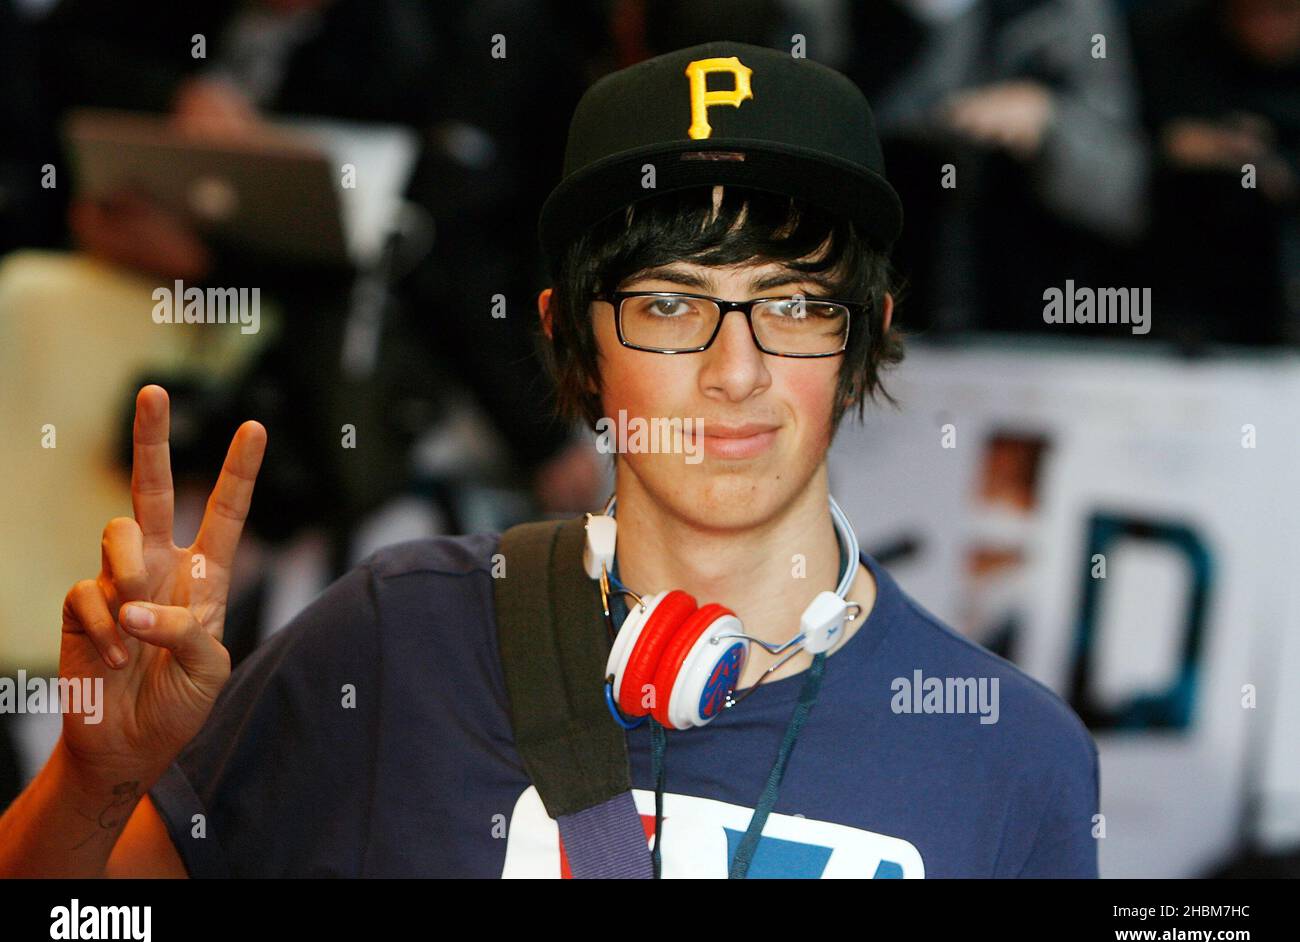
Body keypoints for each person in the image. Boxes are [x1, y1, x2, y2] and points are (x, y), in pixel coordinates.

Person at [0, 41, 1098, 878]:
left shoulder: (1013, 756)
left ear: (860, 342)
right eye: (670, 305)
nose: (733, 371)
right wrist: (97, 774)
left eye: (794, 306)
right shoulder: (391, 639)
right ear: (572, 339)